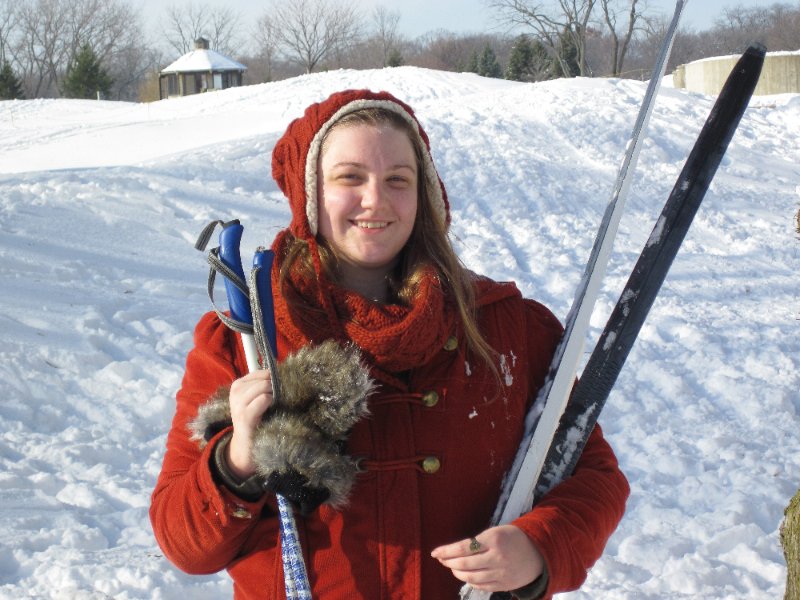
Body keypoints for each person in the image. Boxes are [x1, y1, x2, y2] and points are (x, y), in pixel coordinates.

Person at [150, 89, 629, 600]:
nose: (375, 200)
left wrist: (540, 548)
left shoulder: (509, 331)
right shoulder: (245, 340)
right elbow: (185, 544)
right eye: (349, 177)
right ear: (310, 193)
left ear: (423, 195)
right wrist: (238, 460)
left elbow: (596, 475)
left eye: (397, 180)